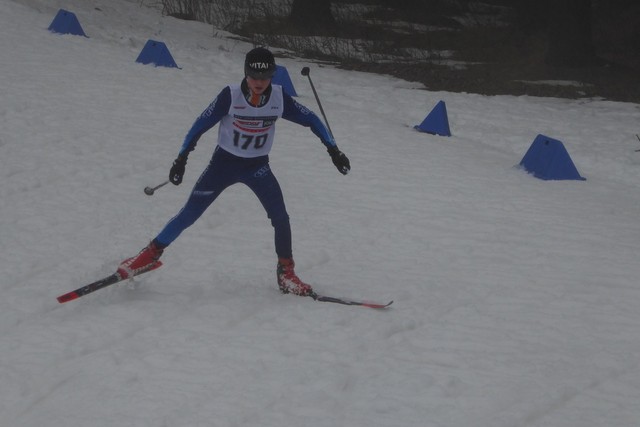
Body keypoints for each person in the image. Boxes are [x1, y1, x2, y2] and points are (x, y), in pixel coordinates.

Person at [117, 47, 350, 296]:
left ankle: (286, 274)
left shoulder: (280, 98)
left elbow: (312, 119)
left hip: (257, 167)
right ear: (245, 74)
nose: (259, 83)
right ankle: (149, 255)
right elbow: (200, 124)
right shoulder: (231, 96)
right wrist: (181, 158)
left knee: (280, 217)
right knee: (189, 214)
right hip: (223, 165)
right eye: (253, 76)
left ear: (272, 76)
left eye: (265, 77)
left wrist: (333, 150)